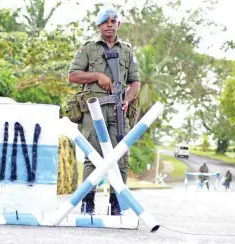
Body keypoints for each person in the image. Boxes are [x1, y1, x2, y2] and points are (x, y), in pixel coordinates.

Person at [67, 7, 141, 215]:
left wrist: (127, 99)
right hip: (94, 110)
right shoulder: (89, 49)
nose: (109, 24)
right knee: (93, 156)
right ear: (99, 25)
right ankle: (87, 203)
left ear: (118, 24)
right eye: (105, 21)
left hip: (119, 110)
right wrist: (97, 76)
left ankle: (116, 203)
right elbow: (73, 76)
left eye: (113, 21)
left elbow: (135, 82)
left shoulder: (127, 51)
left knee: (121, 157)